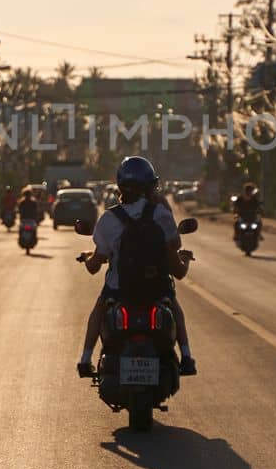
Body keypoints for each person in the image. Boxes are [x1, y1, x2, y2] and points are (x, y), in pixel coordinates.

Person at [77, 155, 195, 377]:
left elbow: (94, 266)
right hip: (157, 289)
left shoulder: (109, 219)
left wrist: (88, 258)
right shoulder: (161, 214)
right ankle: (187, 356)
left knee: (100, 307)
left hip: (119, 290)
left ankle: (85, 360)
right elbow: (175, 249)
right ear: (150, 185)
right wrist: (183, 259)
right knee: (174, 305)